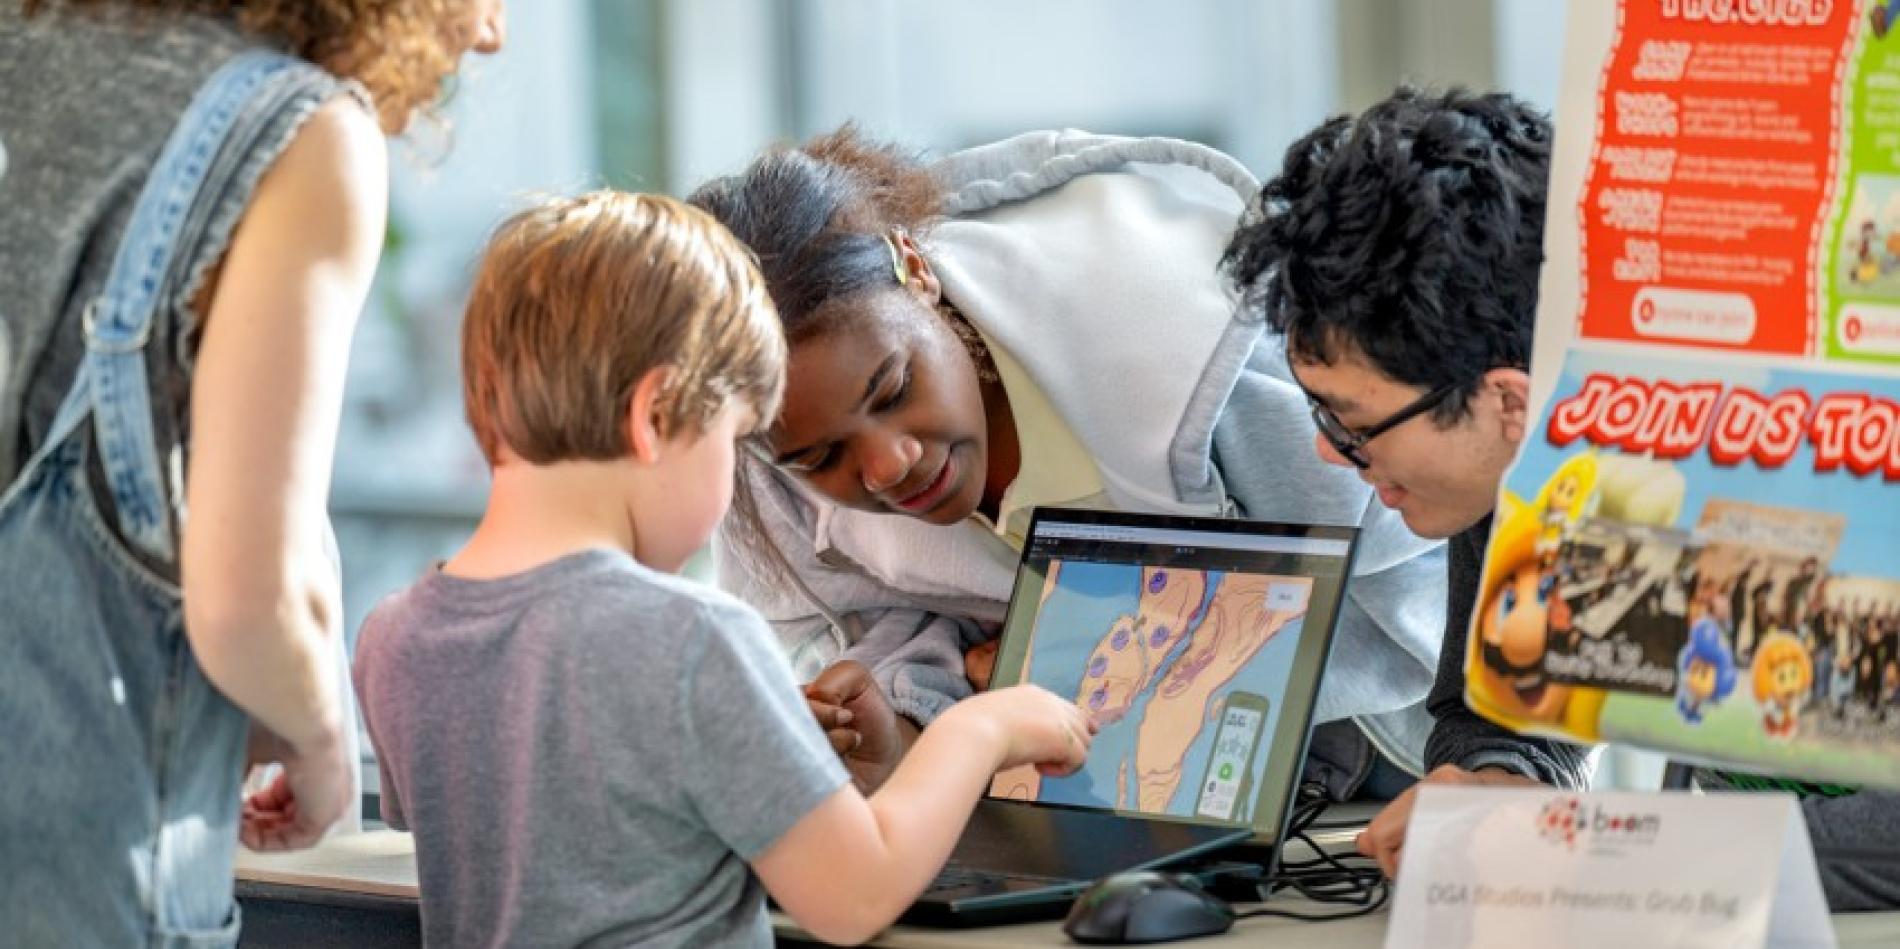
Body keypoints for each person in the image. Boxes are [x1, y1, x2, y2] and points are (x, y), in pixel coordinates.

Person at [352, 191, 1093, 948]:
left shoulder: (393, 640)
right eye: (732, 440)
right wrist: (981, 727)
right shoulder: (695, 640)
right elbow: (854, 896)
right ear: (656, 417)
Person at [1223, 85, 1900, 911]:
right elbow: (1500, 708)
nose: (1328, 451)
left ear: (1509, 401)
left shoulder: (1837, 440)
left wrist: (1618, 855)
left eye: (1354, 424)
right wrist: (1496, 782)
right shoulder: (1523, 463)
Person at [689, 126, 1448, 799]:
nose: (888, 466)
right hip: (1103, 805)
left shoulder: (1208, 361)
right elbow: (879, 634)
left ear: (917, 273)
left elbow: (1431, 561)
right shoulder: (771, 484)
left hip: (1391, 761)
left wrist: (1063, 657)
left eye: (893, 390)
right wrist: (898, 720)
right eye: (820, 456)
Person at [0, 0, 503, 943]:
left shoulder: (21, 50)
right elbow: (247, 603)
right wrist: (317, 738)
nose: (491, 33)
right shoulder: (301, 133)